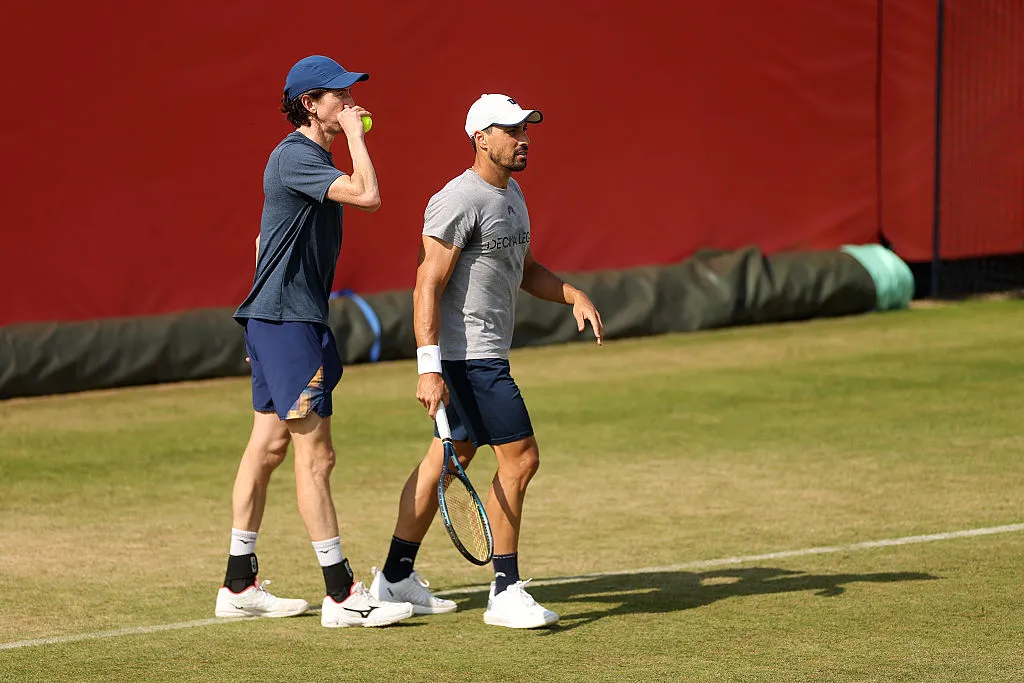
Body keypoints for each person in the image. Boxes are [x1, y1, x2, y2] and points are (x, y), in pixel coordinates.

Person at [368, 94, 605, 628]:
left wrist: (571, 294)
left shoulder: (513, 194)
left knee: (447, 461)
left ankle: (395, 575)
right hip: (467, 358)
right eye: (512, 131)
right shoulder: (458, 199)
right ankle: (505, 588)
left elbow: (522, 268)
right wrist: (429, 366)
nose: (523, 139)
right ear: (481, 137)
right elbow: (426, 282)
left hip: (484, 353)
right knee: (520, 459)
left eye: (526, 130)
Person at [214, 55, 413, 629]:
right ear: (311, 103)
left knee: (268, 447)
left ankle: (238, 584)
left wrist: (262, 318)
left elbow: (262, 236)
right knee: (315, 455)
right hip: (287, 324)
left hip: (281, 320)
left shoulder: (304, 158)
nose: (350, 103)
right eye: (339, 96)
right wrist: (356, 137)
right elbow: (368, 195)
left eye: (351, 95)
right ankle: (342, 593)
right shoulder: (298, 154)